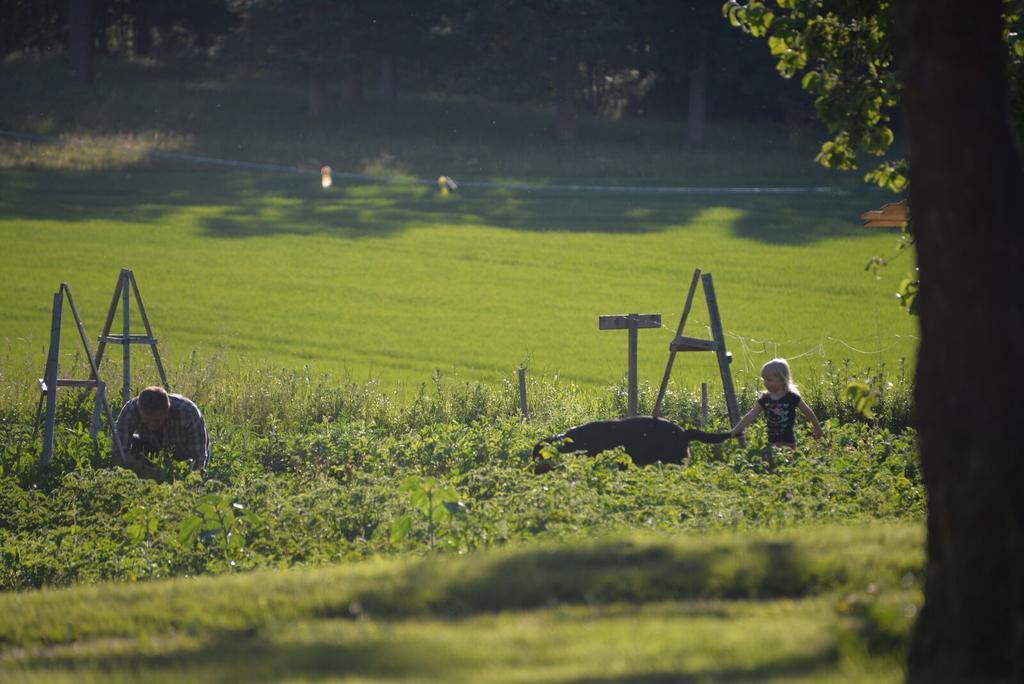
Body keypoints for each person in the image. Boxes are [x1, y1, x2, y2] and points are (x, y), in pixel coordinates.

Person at [114, 386, 209, 476]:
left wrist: (191, 480)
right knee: (134, 446)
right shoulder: (130, 411)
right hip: (151, 446)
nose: (151, 426)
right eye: (147, 421)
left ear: (167, 411)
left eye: (156, 421)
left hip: (183, 452)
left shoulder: (188, 413)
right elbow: (121, 450)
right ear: (140, 411)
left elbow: (198, 457)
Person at [729, 358, 823, 448]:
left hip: (789, 443)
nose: (765, 383)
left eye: (769, 380)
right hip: (772, 443)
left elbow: (807, 412)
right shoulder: (765, 398)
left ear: (782, 379)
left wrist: (817, 427)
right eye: (764, 380)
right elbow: (750, 416)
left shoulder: (792, 397)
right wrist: (735, 431)